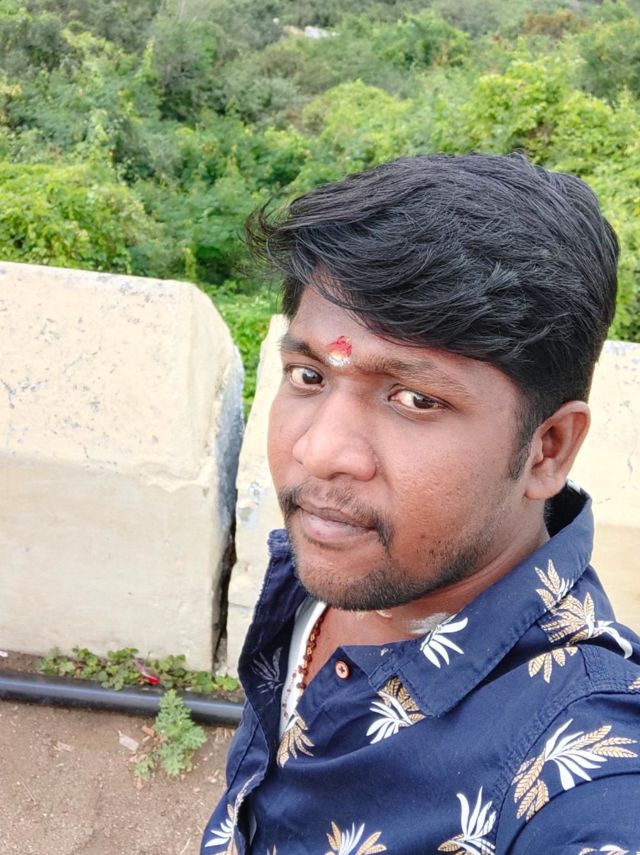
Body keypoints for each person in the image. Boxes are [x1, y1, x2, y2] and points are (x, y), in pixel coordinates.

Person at [201, 153, 640, 854]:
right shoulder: (346, 556)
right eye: (309, 376)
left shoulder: (580, 760)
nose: (320, 450)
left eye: (413, 398)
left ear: (547, 449)